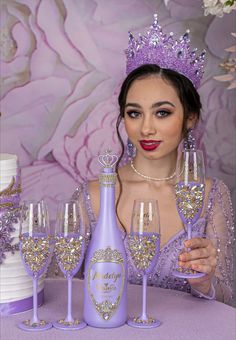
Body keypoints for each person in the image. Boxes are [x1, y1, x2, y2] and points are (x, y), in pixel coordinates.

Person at [73, 15, 235, 305]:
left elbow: (227, 302)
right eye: (134, 113)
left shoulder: (210, 195)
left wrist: (205, 282)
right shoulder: (94, 196)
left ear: (190, 118)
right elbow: (63, 289)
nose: (146, 128)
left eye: (162, 112)